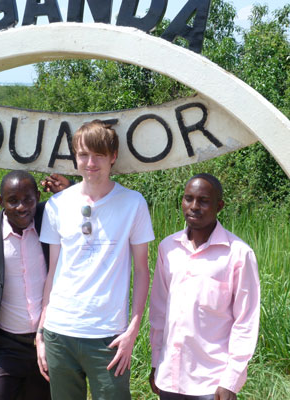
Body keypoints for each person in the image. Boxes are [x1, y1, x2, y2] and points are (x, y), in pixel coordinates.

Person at [36, 120, 155, 400]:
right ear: (75, 157)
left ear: (113, 157)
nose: (90, 163)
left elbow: (142, 271)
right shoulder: (56, 205)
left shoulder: (133, 203)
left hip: (109, 336)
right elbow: (52, 272)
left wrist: (132, 331)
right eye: (83, 155)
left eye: (99, 155)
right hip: (59, 332)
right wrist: (41, 331)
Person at [0, 170, 68, 400]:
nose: (22, 207)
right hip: (5, 346)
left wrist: (68, 187)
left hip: (47, 343)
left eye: (28, 199)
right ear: (0, 201)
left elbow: (83, 205)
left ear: (38, 196)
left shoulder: (49, 219)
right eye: (13, 201)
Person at [149, 173, 260, 400]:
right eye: (188, 198)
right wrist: (156, 362)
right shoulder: (168, 248)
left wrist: (231, 381)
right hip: (170, 377)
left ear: (219, 206)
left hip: (212, 383)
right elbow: (159, 312)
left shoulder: (238, 254)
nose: (194, 207)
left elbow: (245, 322)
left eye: (204, 201)